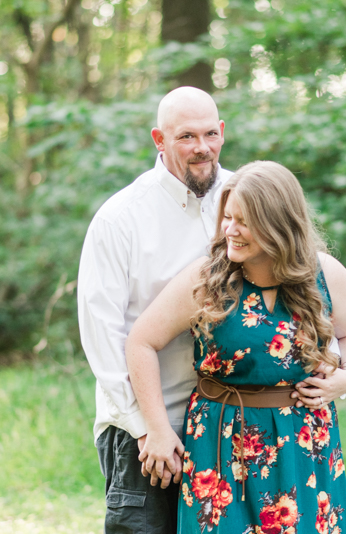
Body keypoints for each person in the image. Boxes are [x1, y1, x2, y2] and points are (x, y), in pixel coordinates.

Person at [125, 161, 346, 533]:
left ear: (278, 224)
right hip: (221, 445)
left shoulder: (326, 274)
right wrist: (156, 428)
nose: (230, 230)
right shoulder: (207, 280)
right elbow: (141, 341)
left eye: (243, 221)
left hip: (304, 445)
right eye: (227, 217)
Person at [77, 86, 233, 533]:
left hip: (228, 425)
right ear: (159, 140)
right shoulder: (120, 218)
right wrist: (149, 429)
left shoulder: (247, 200)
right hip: (144, 429)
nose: (202, 148)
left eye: (210, 134)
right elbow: (102, 336)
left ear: (222, 132)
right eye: (186, 137)